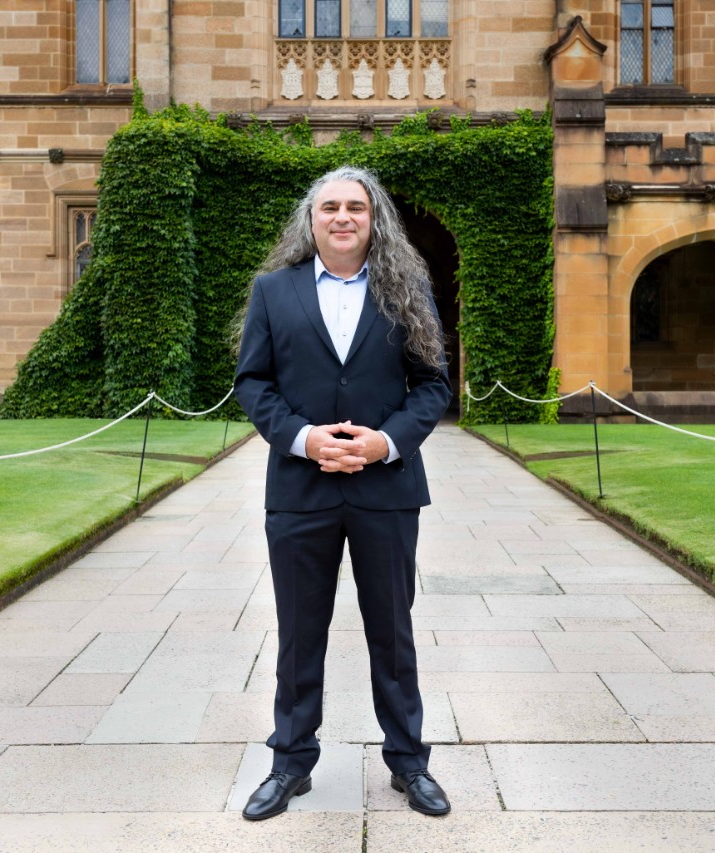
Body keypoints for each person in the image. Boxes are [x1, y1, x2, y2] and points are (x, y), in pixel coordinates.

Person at [233, 165, 453, 820]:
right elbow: (254, 383)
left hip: (386, 490)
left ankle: (409, 763)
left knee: (393, 631)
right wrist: (303, 438)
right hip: (301, 489)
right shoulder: (273, 291)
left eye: (355, 206)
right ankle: (290, 761)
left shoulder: (406, 287)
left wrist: (384, 442)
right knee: (301, 633)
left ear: (373, 217)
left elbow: (434, 385)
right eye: (329, 206)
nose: (342, 217)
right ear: (311, 219)